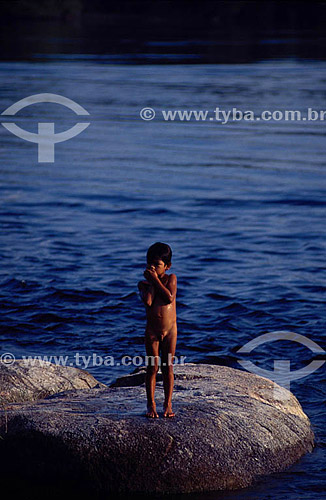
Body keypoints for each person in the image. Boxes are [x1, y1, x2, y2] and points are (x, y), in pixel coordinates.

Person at [138, 242, 177, 418]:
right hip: (152, 331)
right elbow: (148, 302)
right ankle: (151, 404)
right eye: (150, 264)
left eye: (157, 265)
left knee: (167, 366)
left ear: (167, 266)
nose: (153, 268)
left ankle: (168, 404)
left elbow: (169, 297)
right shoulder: (143, 284)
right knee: (152, 367)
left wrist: (156, 280)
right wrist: (151, 281)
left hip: (170, 331)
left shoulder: (171, 279)